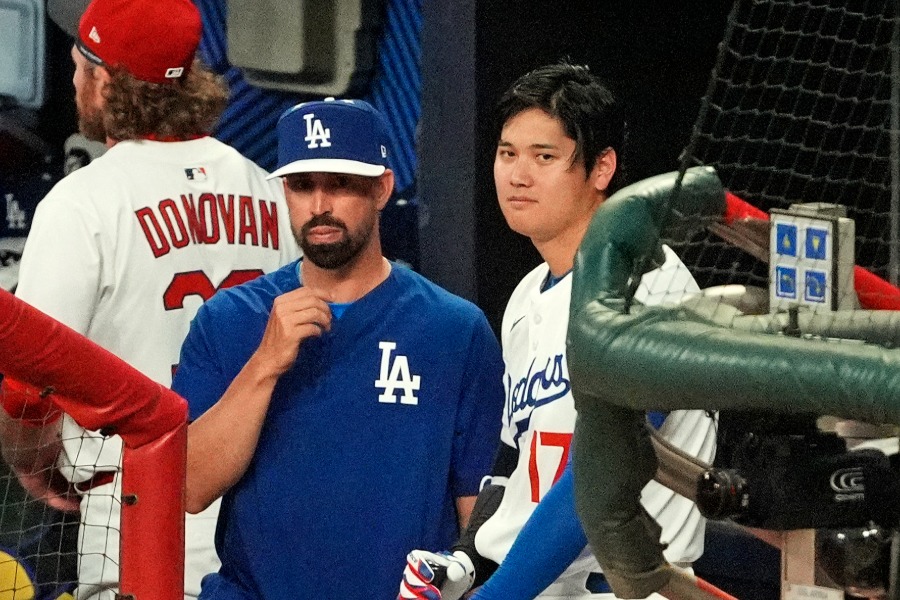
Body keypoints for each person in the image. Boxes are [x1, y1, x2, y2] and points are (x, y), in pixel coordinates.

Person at [0, 0, 299, 597]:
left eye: (82, 60)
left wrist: (29, 460)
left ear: (105, 81)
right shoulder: (269, 192)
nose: (74, 70)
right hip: (263, 515)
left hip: (136, 515)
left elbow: (28, 385)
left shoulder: (83, 201)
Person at [398, 62, 717, 600]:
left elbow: (601, 474)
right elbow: (512, 461)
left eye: (544, 157)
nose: (517, 175)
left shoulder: (652, 281)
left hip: (627, 588)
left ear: (601, 168)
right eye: (507, 153)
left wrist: (499, 595)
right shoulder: (526, 296)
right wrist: (467, 562)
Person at [172, 97, 505, 599]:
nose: (319, 205)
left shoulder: (453, 330)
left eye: (341, 184)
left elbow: (476, 523)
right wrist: (264, 365)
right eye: (302, 186)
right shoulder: (229, 319)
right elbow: (189, 487)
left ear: (382, 188)